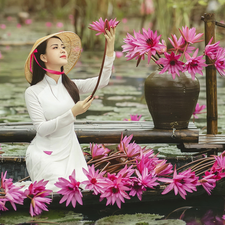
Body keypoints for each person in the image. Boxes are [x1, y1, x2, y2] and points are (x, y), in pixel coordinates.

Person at [24, 28, 116, 192]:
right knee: (56, 190)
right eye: (55, 47)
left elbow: (102, 81)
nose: (62, 50)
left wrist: (109, 51)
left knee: (79, 189)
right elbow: (42, 129)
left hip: (71, 153)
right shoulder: (33, 92)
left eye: (63, 47)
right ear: (43, 57)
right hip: (45, 155)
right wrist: (72, 113)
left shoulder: (71, 86)